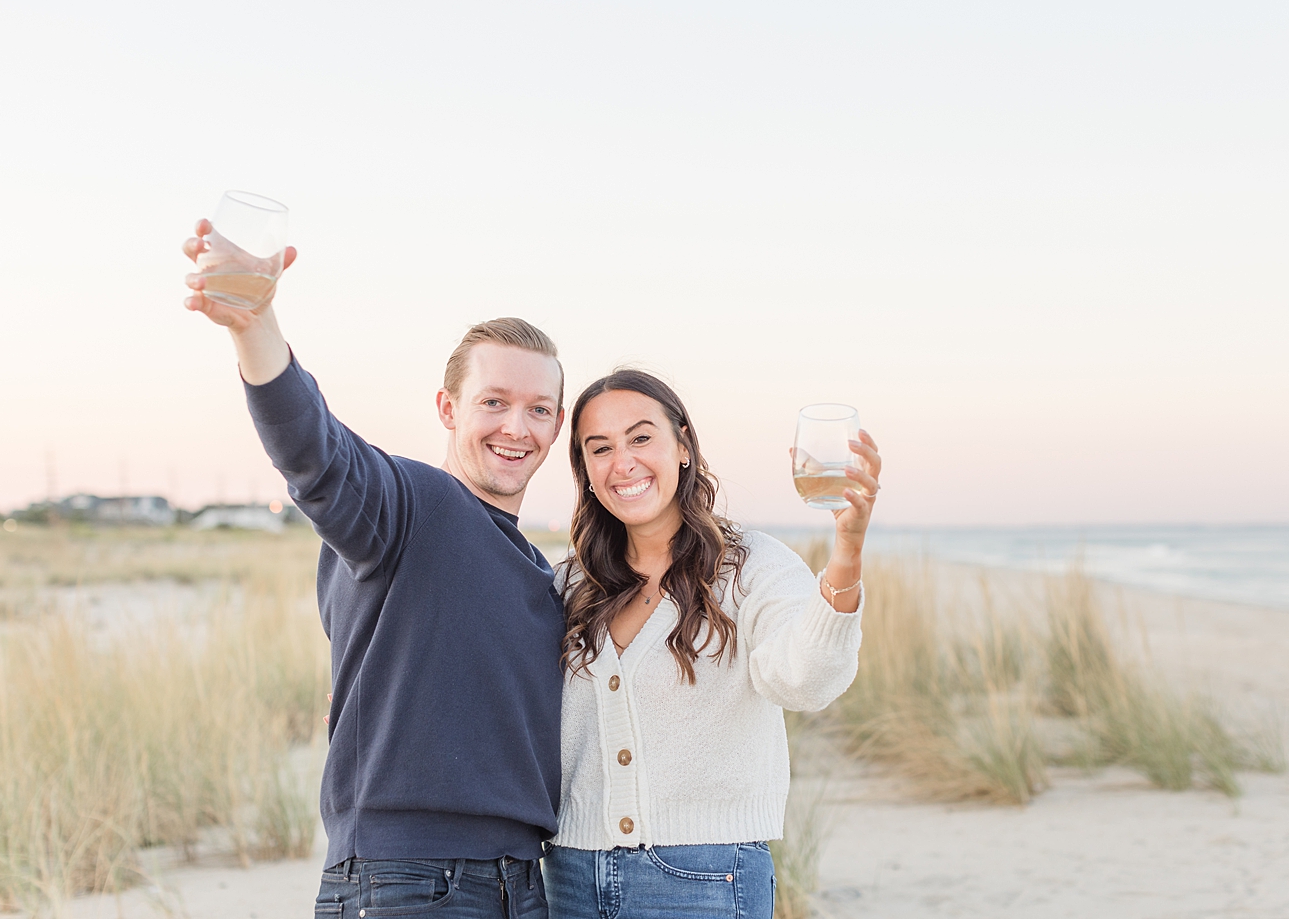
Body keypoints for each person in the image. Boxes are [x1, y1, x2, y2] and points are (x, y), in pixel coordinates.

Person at [181, 220, 562, 918]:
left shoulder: (542, 573)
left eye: (538, 409)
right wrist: (256, 328)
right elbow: (317, 456)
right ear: (448, 409)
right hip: (410, 882)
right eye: (494, 402)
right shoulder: (413, 504)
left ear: (556, 426)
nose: (517, 427)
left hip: (523, 884)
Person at [543, 370, 881, 919]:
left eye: (640, 437)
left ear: (682, 445)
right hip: (570, 878)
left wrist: (847, 553)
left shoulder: (751, 565)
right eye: (599, 448)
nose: (622, 462)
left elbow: (805, 680)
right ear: (585, 471)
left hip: (705, 877)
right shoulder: (569, 586)